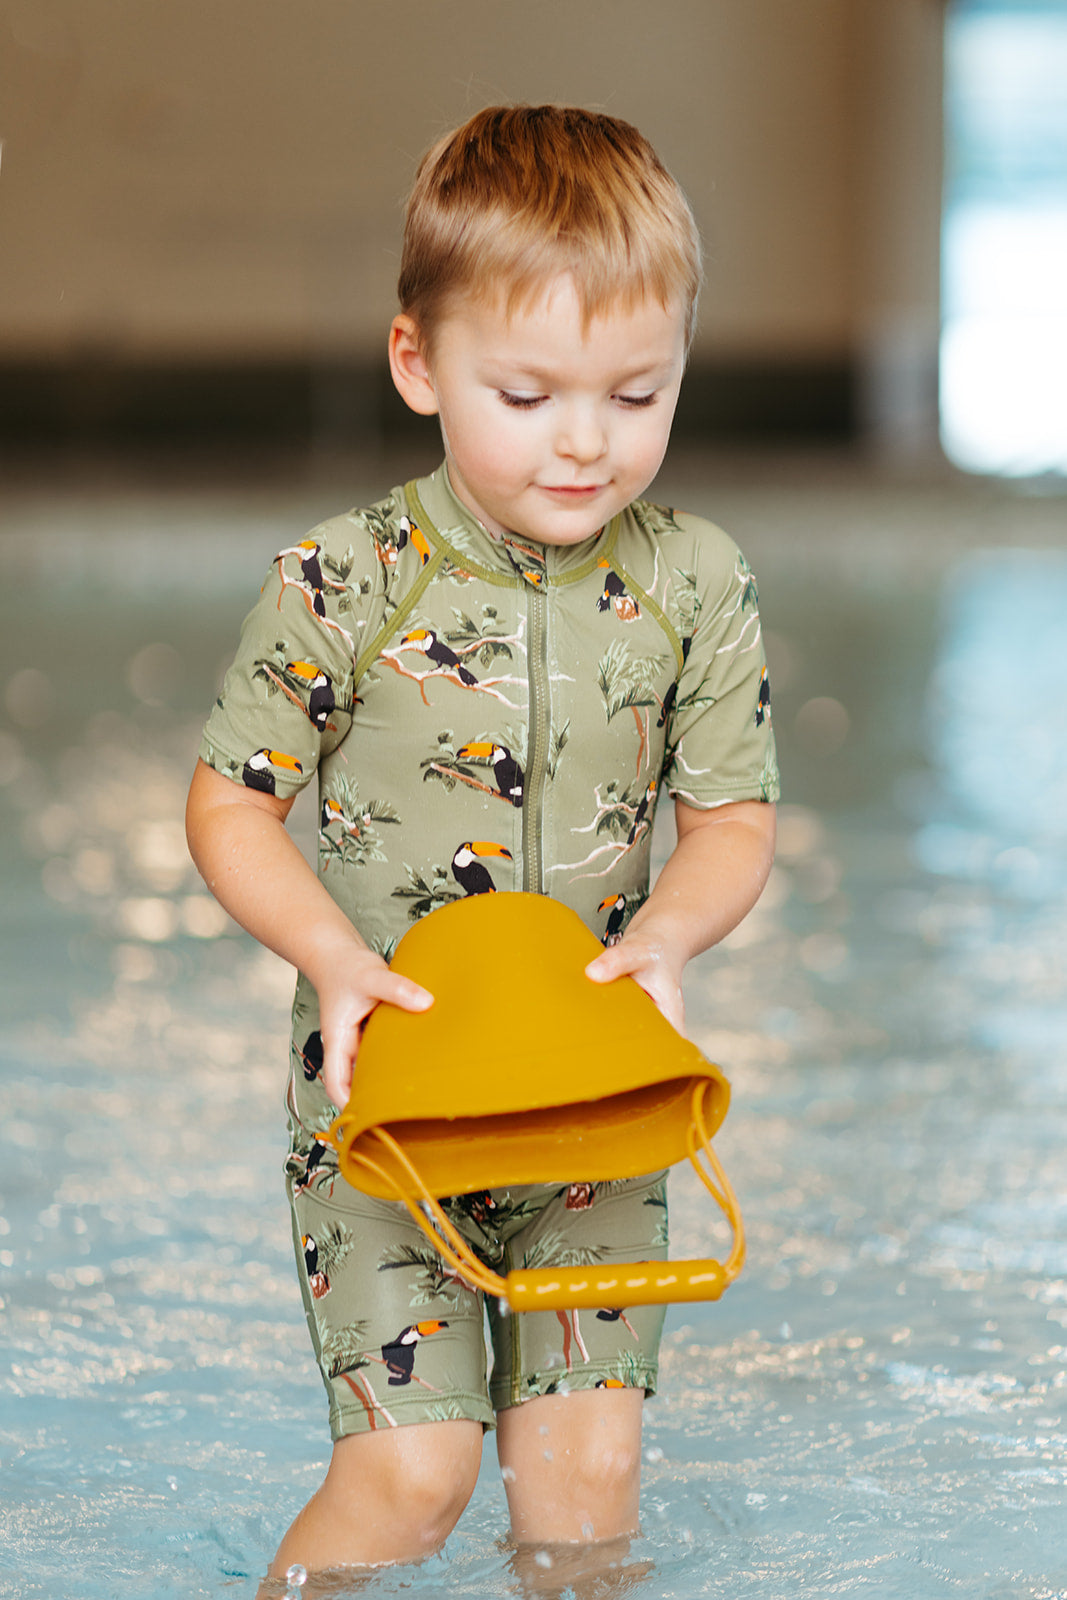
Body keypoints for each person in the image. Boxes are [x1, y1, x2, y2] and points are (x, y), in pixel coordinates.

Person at [186, 103, 779, 1584]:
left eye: (638, 396)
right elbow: (230, 801)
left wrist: (668, 938)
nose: (587, 442)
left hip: (596, 1086)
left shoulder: (697, 582)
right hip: (391, 1093)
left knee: (587, 1484)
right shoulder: (341, 578)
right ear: (419, 365)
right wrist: (328, 954)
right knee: (412, 1478)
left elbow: (732, 816)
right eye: (526, 395)